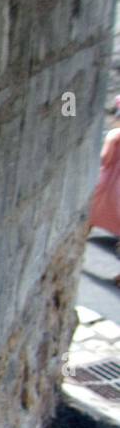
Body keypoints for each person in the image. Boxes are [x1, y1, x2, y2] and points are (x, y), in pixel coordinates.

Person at [88, 96, 120, 286]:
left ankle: (77, 247)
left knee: (91, 215)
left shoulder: (115, 135)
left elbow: (105, 158)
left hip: (110, 188)